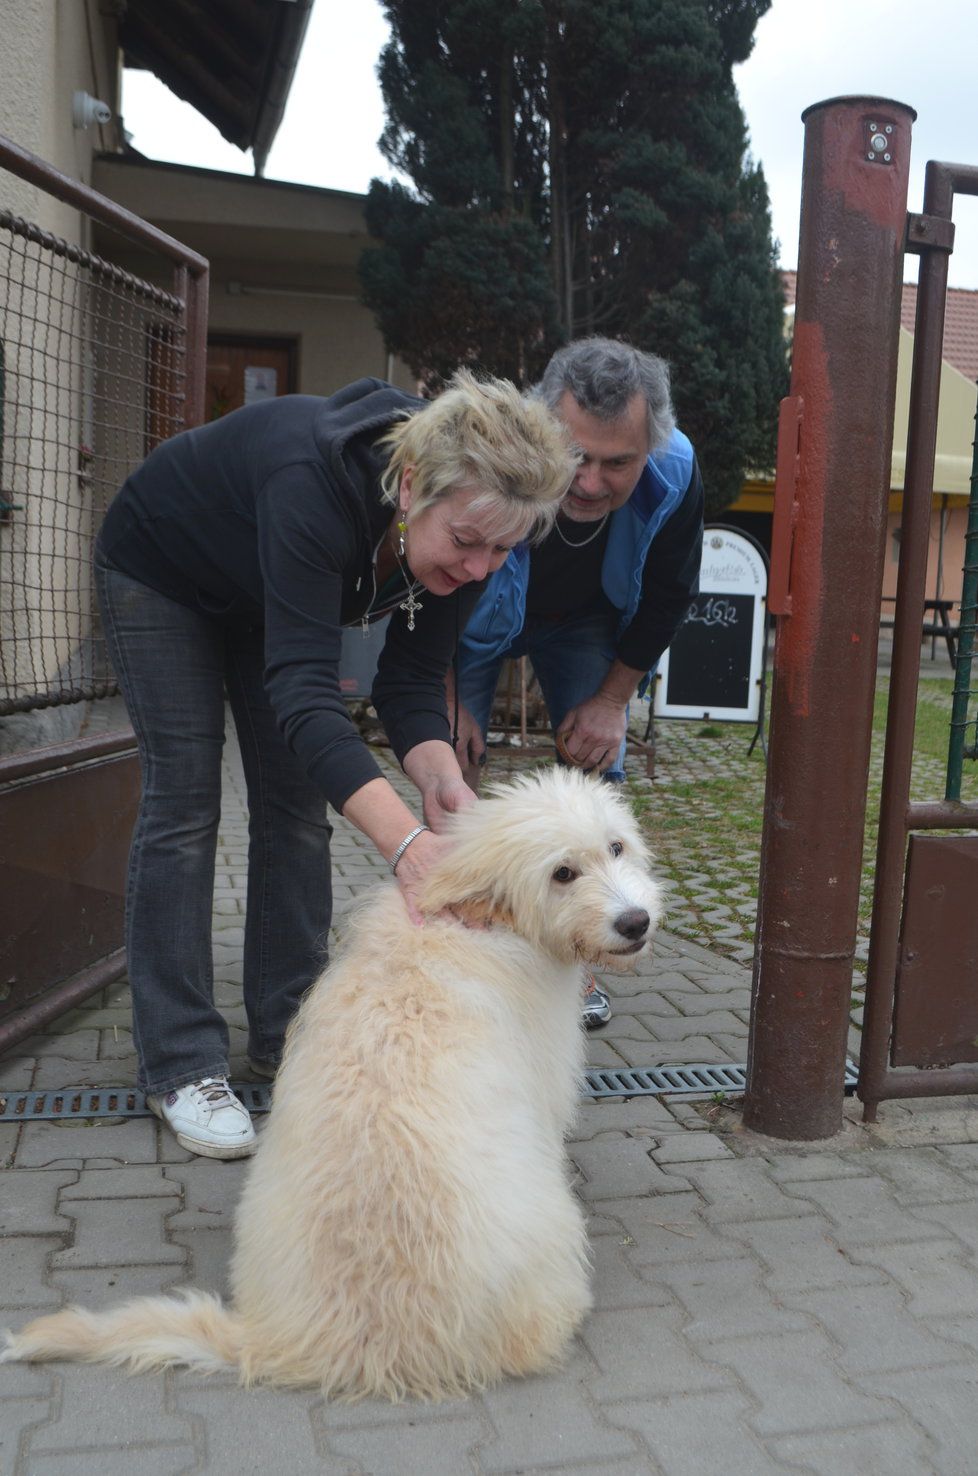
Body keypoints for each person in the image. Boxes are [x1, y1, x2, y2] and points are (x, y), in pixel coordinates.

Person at [95, 371, 576, 1158]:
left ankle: (288, 1037)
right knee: (186, 803)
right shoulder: (309, 485)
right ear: (412, 485)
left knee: (295, 809)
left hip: (266, 593)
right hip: (163, 572)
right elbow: (307, 695)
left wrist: (438, 780)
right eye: (466, 542)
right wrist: (406, 848)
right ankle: (181, 1062)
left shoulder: (471, 533)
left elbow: (412, 681)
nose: (482, 567)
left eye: (504, 549)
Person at [450, 338, 704, 1029]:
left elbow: (669, 594)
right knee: (447, 765)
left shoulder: (677, 471)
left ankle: (584, 960)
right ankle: (456, 952)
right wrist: (443, 691)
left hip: (585, 622)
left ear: (652, 447)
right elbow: (434, 568)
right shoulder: (493, 447)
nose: (590, 482)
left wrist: (612, 701)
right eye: (575, 457)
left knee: (598, 768)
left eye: (617, 462)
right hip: (470, 617)